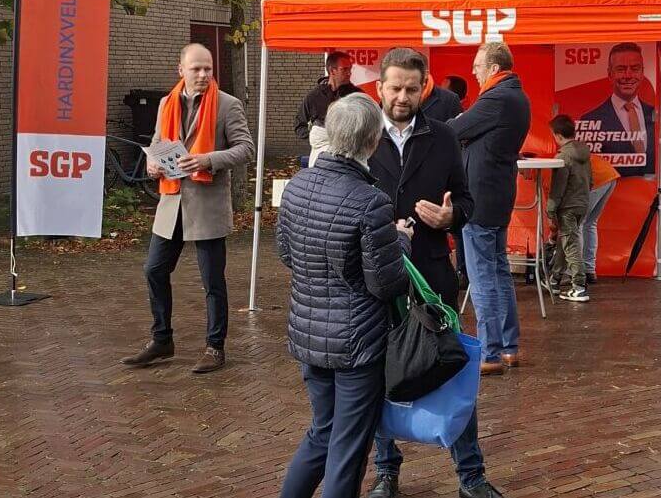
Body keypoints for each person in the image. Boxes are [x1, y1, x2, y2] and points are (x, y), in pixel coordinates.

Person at [365, 48, 504, 498]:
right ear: (379, 88)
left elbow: (466, 200)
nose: (403, 97)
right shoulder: (362, 137)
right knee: (378, 377)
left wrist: (451, 220)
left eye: (411, 88)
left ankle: (471, 475)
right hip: (379, 279)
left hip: (431, 274)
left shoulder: (444, 136)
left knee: (453, 368)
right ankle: (387, 473)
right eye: (394, 87)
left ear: (424, 87)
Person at [276, 93, 413, 498]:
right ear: (372, 142)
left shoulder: (296, 187)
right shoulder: (370, 201)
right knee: (348, 447)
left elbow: (286, 253)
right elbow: (387, 284)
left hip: (308, 333)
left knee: (322, 432)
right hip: (356, 344)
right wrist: (401, 241)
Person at [121, 43, 255, 374]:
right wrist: (152, 162)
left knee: (212, 280)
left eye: (208, 68)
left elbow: (245, 149)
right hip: (172, 200)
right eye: (196, 68)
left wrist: (208, 159)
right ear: (180, 70)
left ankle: (215, 347)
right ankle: (162, 339)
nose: (203, 74)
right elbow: (155, 143)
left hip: (207, 203)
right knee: (154, 269)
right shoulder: (167, 103)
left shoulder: (228, 105)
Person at [448, 42, 531, 376]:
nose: (474, 71)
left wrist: (459, 125)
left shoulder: (497, 98)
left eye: (478, 65)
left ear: (494, 68)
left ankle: (490, 352)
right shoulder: (516, 96)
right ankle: (508, 347)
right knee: (498, 272)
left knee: (482, 276)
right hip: (497, 193)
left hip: (480, 197)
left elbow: (456, 129)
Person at [579, 42, 655, 177]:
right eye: (621, 69)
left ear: (642, 72)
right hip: (613, 194)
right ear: (610, 74)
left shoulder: (655, 114)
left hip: (649, 193)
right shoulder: (590, 119)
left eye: (635, 68)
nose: (628, 75)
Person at [546, 115, 592, 303]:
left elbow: (558, 187)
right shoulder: (584, 152)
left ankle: (579, 287)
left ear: (557, 136)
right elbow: (591, 179)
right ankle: (555, 280)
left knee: (570, 245)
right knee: (565, 242)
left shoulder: (563, 157)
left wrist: (551, 208)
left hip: (568, 206)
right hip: (582, 203)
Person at [293, 51, 361, 140]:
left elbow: (370, 123)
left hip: (350, 151)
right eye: (344, 69)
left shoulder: (357, 96)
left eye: (350, 69)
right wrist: (317, 137)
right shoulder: (314, 96)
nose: (349, 73)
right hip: (322, 151)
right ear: (332, 71)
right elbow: (299, 126)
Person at [582, 155, 620, 284]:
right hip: (609, 175)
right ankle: (589, 270)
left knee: (578, 225)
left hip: (597, 180)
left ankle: (574, 273)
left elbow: (552, 207)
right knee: (589, 224)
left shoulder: (546, 170)